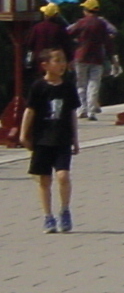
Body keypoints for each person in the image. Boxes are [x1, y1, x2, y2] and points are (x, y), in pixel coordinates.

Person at [25, 47, 80, 232]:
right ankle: (48, 216)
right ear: (45, 65)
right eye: (57, 61)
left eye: (63, 60)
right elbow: (30, 111)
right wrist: (24, 134)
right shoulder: (38, 87)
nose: (62, 64)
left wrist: (76, 138)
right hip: (42, 139)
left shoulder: (68, 87)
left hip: (62, 139)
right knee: (44, 180)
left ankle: (64, 210)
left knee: (63, 176)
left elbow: (72, 113)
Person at [67, 0, 118, 122]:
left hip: (81, 57)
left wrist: (75, 44)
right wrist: (113, 59)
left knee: (81, 85)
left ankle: (82, 109)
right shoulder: (101, 24)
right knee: (94, 84)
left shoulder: (81, 22)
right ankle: (91, 111)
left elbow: (68, 34)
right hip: (97, 58)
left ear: (86, 10)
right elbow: (108, 42)